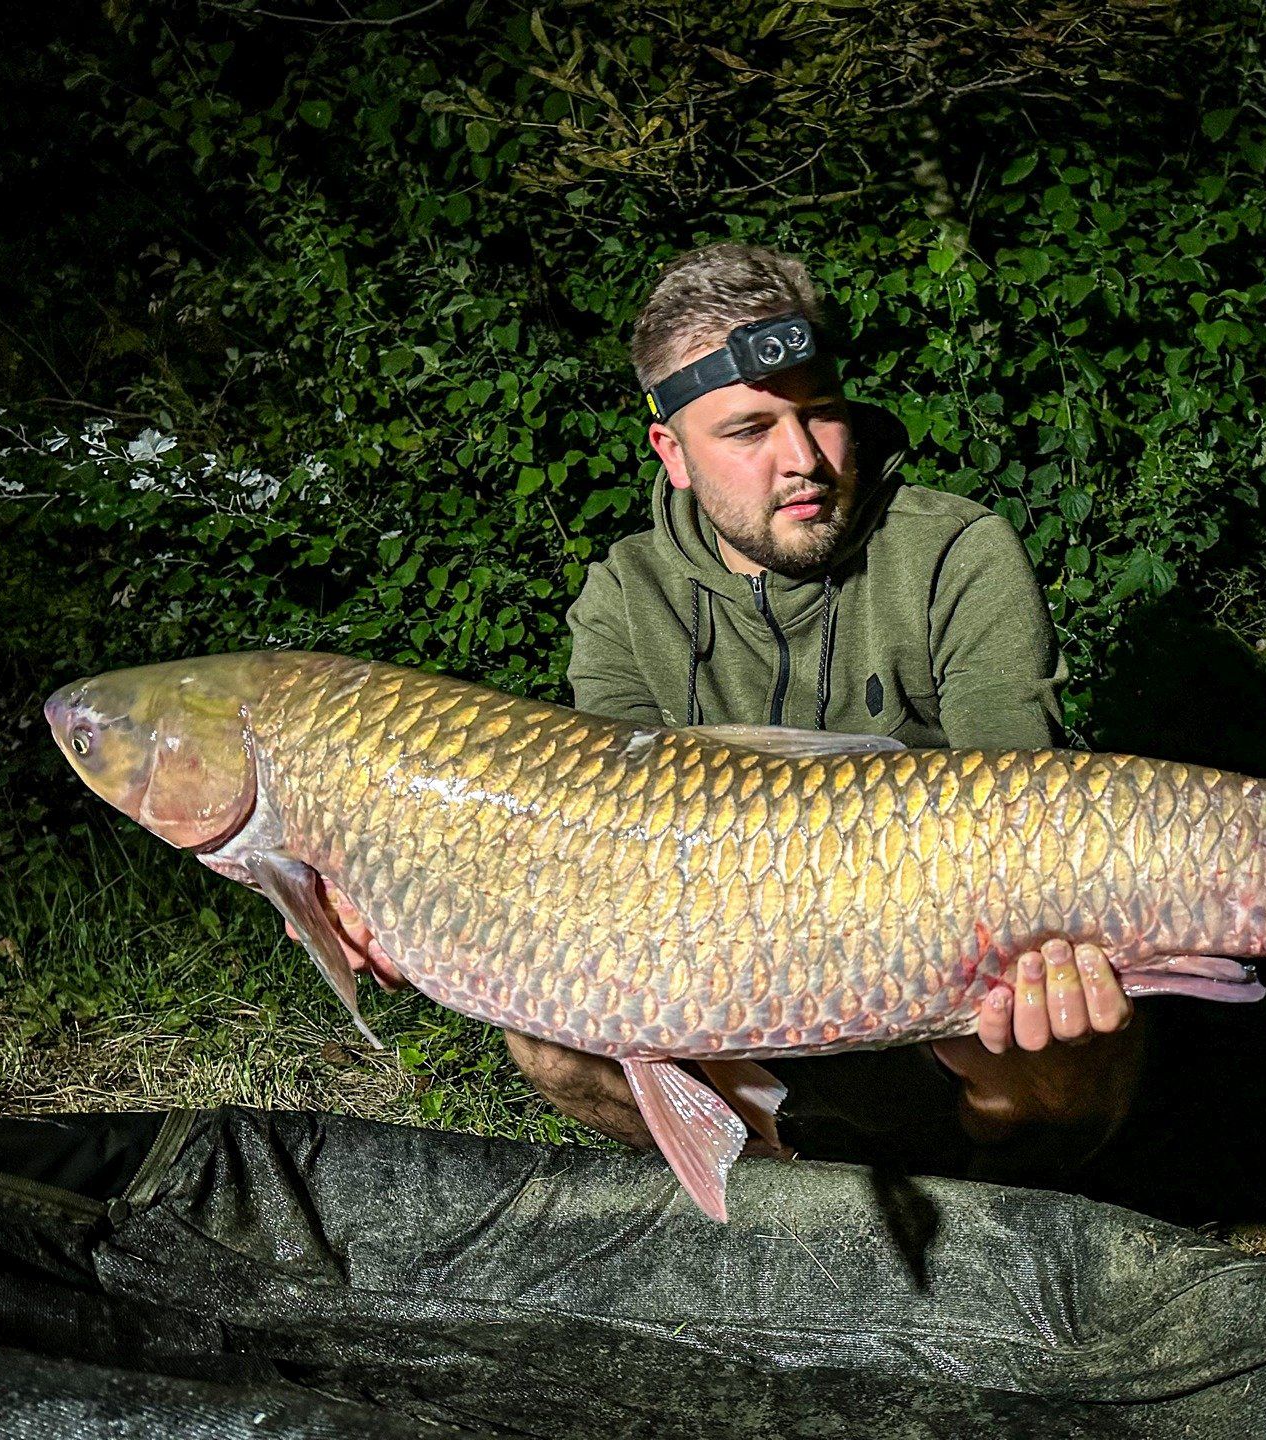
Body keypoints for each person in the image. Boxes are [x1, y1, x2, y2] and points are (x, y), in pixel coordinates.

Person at [300, 242, 1146, 1177]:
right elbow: (589, 852)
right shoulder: (626, 599)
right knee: (547, 1035)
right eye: (749, 432)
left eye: (819, 413)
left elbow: (1026, 819)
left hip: (940, 980)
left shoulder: (956, 553)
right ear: (674, 453)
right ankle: (796, 1206)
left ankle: (1023, 1206)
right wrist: (403, 904)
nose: (805, 460)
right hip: (721, 988)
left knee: (1068, 1031)